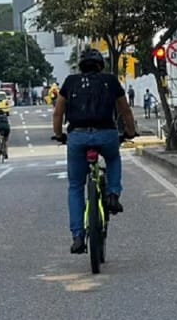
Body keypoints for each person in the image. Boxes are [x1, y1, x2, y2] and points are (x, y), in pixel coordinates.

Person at [53, 49, 138, 255]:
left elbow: (58, 112)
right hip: (106, 135)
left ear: (81, 66)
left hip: (78, 137)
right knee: (113, 159)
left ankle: (78, 236)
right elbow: (125, 110)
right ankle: (113, 195)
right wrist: (130, 131)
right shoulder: (110, 81)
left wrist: (59, 134)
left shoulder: (70, 82)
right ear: (100, 65)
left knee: (75, 186)